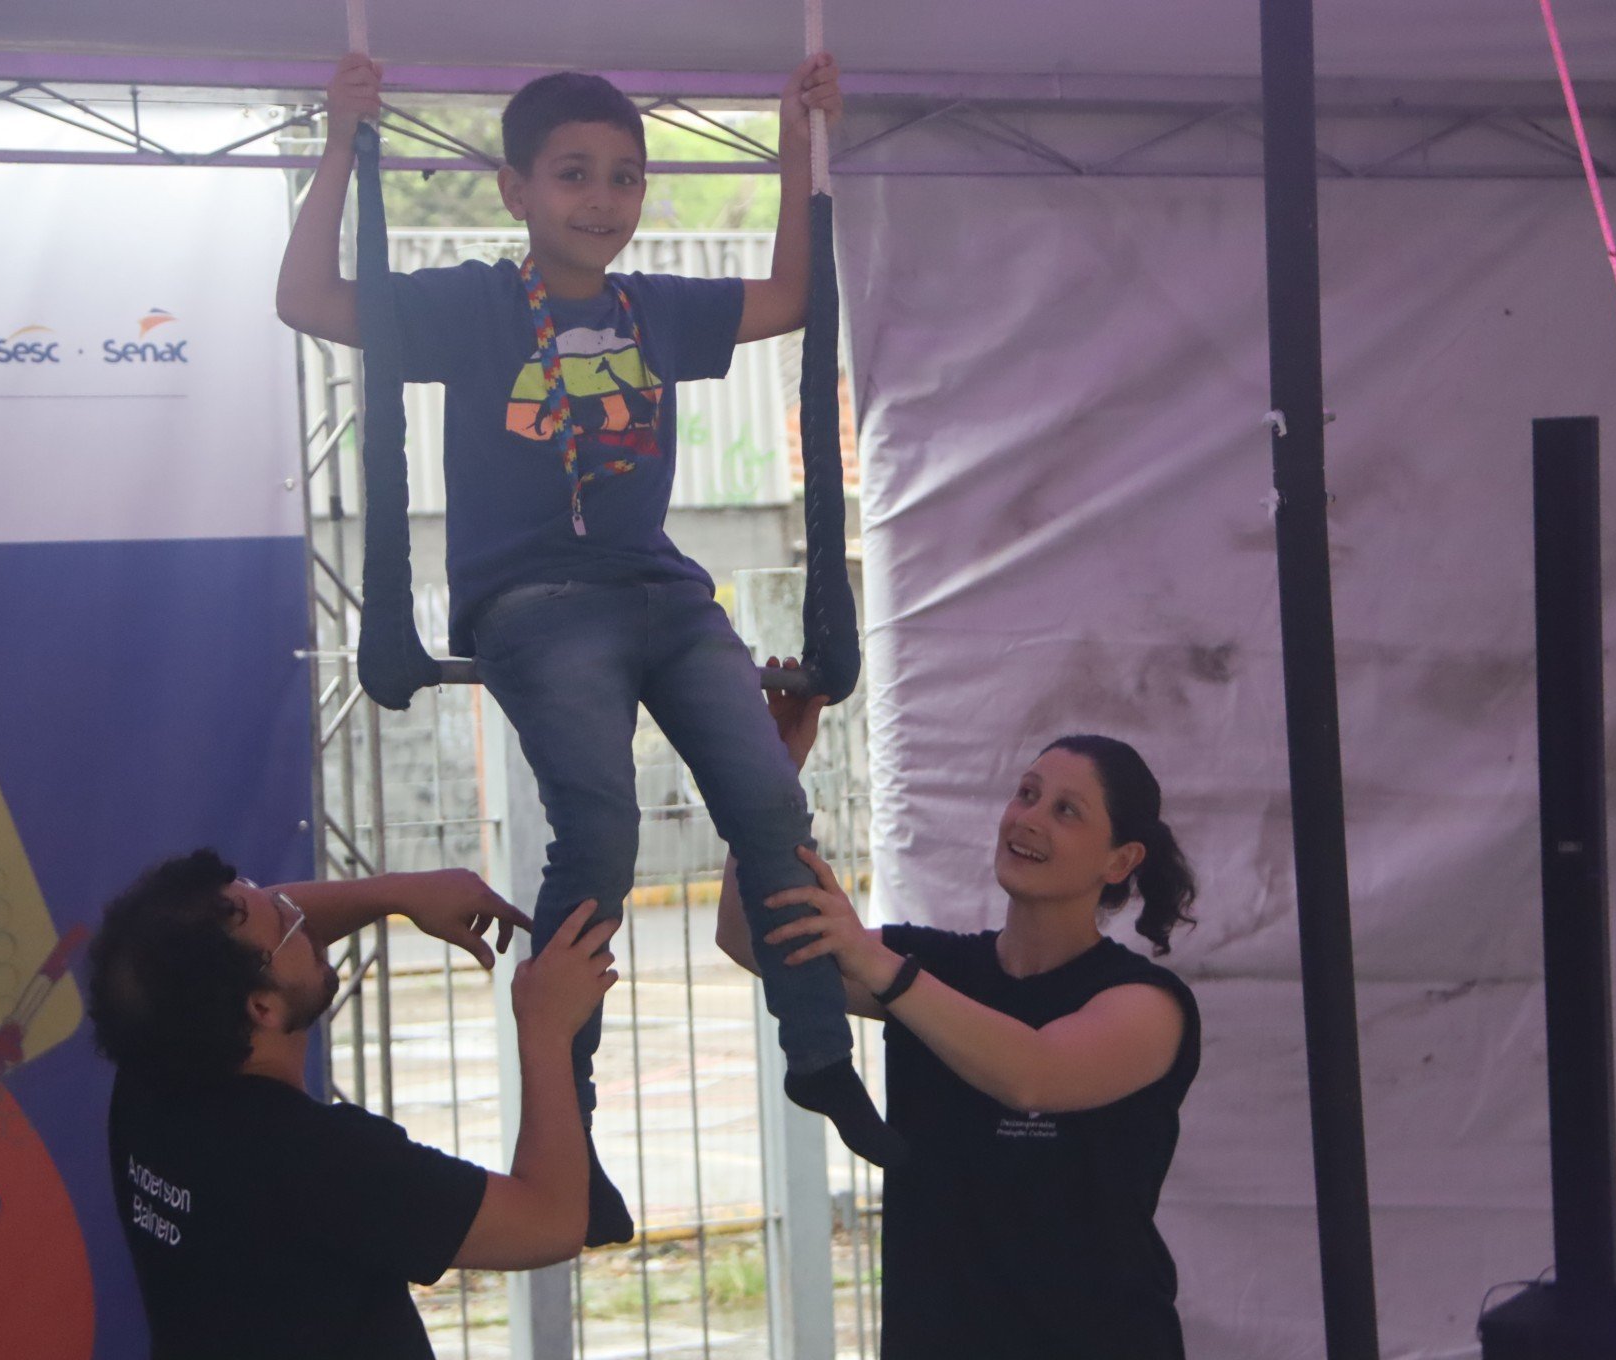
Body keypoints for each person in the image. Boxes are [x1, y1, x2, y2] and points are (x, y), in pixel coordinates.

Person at [275, 50, 901, 1247]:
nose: (602, 202)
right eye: (573, 176)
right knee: (601, 831)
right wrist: (340, 146)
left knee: (772, 804)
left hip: (660, 589)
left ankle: (819, 1052)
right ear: (514, 190)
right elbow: (308, 300)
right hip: (536, 598)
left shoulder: (654, 307)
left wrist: (791, 144)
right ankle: (576, 1107)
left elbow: (787, 297)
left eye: (623, 178)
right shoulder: (466, 303)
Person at [718, 665, 1204, 1359]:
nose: (1029, 819)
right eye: (1027, 794)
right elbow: (751, 942)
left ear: (1121, 859)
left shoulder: (1148, 1006)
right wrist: (767, 776)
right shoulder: (934, 968)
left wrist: (879, 964)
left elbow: (1035, 1074)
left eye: (1066, 811)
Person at [87, 850, 616, 1360]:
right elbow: (549, 1222)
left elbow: (241, 942)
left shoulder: (152, 1078)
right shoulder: (318, 1161)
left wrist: (399, 893)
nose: (301, 915)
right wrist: (545, 1027)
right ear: (262, 1006)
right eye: (288, 923)